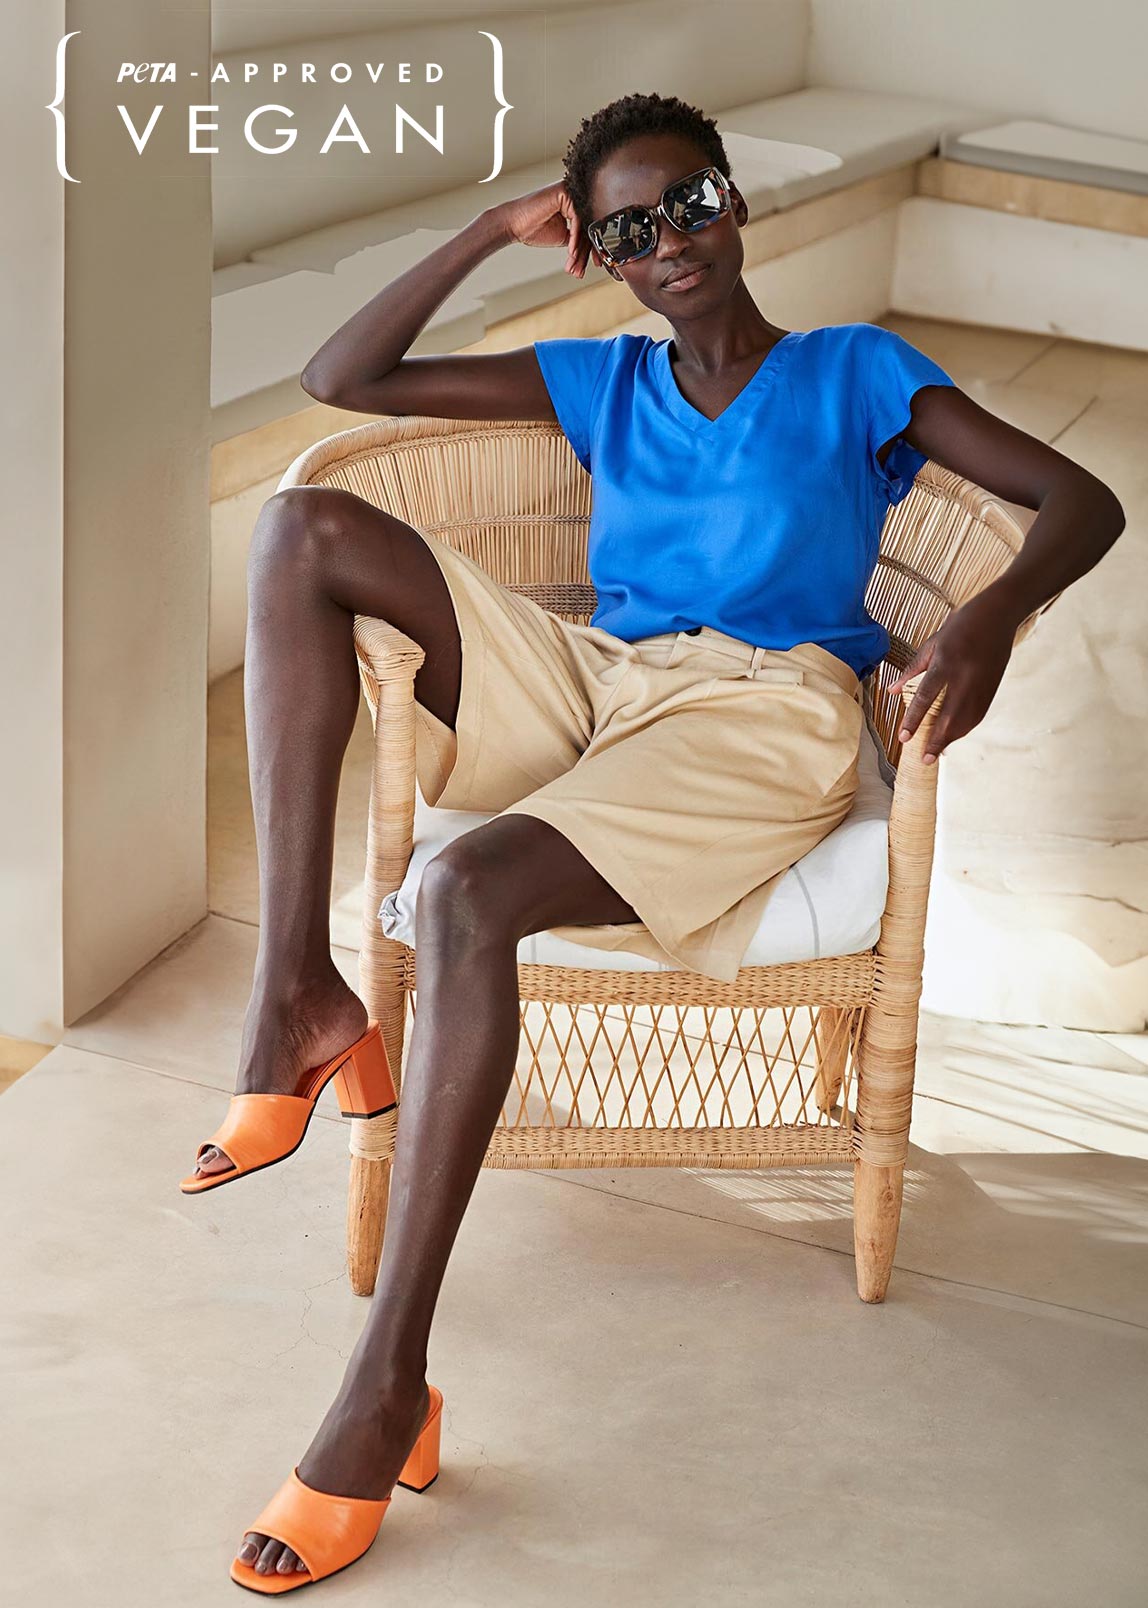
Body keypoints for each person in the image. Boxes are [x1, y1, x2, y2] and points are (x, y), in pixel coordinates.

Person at [190, 92, 1125, 1590]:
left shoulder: (854, 373)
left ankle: (381, 1390)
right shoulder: (602, 381)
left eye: (688, 203)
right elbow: (340, 375)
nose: (667, 242)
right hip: (604, 683)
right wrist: (500, 230)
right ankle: (296, 995)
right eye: (626, 228)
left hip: (767, 710)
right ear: (602, 256)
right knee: (299, 531)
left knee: (468, 887)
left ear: (735, 203)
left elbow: (1081, 497)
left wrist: (986, 615)